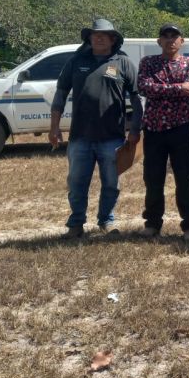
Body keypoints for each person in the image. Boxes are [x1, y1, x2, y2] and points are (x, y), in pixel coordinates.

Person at [49, 18, 142, 239]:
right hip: (80, 136)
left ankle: (106, 220)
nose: (98, 37)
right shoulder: (76, 61)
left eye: (104, 34)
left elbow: (137, 98)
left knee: (111, 183)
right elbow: (60, 93)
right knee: (77, 182)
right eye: (95, 34)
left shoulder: (123, 63)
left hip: (112, 137)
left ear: (113, 39)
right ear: (89, 38)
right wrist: (54, 127)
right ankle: (76, 223)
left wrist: (136, 128)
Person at [137, 24, 189, 241]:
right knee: (153, 178)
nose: (170, 40)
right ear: (159, 41)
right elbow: (144, 87)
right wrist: (177, 88)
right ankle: (153, 223)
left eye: (175, 36)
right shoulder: (148, 62)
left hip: (180, 128)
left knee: (185, 178)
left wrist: (163, 88)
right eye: (165, 36)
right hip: (154, 129)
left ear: (182, 41)